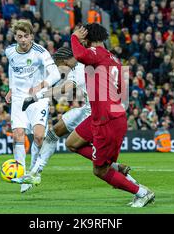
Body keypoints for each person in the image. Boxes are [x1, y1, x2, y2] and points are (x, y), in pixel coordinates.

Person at [59, 24, 155, 208]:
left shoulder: (96, 52)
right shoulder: (114, 59)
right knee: (71, 143)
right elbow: (121, 89)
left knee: (99, 170)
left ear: (86, 38)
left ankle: (142, 192)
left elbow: (79, 55)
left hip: (107, 119)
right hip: (102, 115)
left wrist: (73, 37)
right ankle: (115, 166)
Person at [12, 47, 138, 186]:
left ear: (64, 61)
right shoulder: (75, 67)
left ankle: (126, 177)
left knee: (82, 150)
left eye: (59, 65)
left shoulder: (82, 64)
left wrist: (37, 96)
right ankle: (35, 173)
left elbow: (66, 87)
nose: (59, 70)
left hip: (96, 114)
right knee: (55, 132)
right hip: (86, 109)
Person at [5, 19, 61, 193]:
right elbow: (12, 69)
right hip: (19, 98)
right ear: (15, 36)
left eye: (26, 36)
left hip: (37, 98)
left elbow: (56, 74)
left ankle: (33, 170)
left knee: (38, 137)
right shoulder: (9, 52)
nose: (23, 40)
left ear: (31, 36)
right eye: (19, 36)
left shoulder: (40, 52)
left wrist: (41, 85)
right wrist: (11, 88)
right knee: (18, 134)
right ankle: (22, 175)